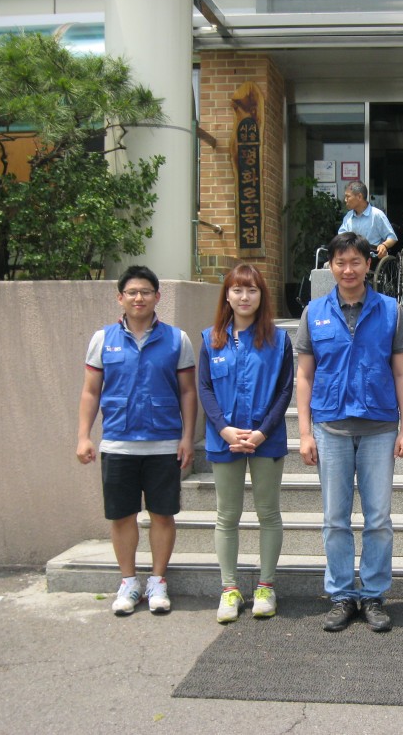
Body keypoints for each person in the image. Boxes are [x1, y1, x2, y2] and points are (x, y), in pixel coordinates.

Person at [295, 231, 403, 632]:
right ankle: (342, 594)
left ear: (368, 265)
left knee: (378, 518)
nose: (348, 270)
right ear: (330, 266)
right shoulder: (314, 312)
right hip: (331, 427)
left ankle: (374, 594)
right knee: (335, 519)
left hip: (380, 426)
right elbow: (305, 376)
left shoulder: (390, 310)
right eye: (340, 262)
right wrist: (305, 433)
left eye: (355, 262)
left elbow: (402, 372)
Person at [76, 265, 197, 616]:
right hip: (118, 443)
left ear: (158, 297)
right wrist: (83, 436)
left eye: (145, 292)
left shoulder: (177, 339)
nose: (139, 298)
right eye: (132, 292)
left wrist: (187, 437)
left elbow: (188, 392)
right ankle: (128, 582)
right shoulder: (103, 339)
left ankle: (158, 581)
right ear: (120, 298)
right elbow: (90, 391)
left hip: (163, 444)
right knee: (122, 516)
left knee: (162, 515)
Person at [198, 264, 293, 623]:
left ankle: (266, 586)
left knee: (268, 513)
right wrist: (223, 429)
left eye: (252, 290)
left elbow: (285, 390)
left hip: (265, 438)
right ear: (226, 295)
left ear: (261, 296)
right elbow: (205, 388)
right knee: (227, 515)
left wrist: (262, 432)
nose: (244, 296)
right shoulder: (211, 339)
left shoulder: (278, 340)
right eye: (237, 289)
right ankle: (230, 588)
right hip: (224, 439)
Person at [338, 180, 397, 259]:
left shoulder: (376, 215)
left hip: (371, 258)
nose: (345, 200)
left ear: (359, 197)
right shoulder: (348, 216)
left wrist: (384, 245)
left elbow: (392, 238)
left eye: (348, 196)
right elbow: (341, 238)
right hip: (351, 258)